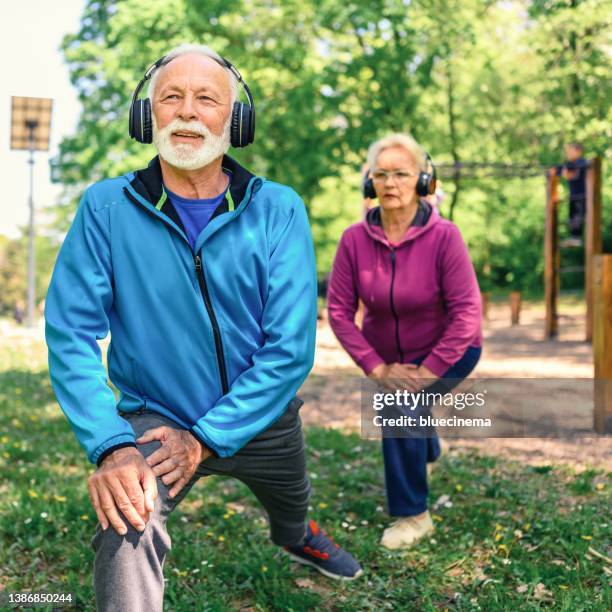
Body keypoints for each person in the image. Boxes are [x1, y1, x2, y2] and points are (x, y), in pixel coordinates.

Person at [45, 43, 362, 611]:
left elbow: (289, 349)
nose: (187, 111)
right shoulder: (104, 208)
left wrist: (208, 438)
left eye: (206, 99)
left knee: (292, 503)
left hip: (260, 418)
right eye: (171, 97)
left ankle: (295, 536)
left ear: (234, 121)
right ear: (149, 117)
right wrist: (111, 445)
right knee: (127, 520)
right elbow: (70, 331)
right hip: (155, 421)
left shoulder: (279, 209)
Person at [327, 133, 482, 550]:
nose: (391, 183)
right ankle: (425, 445)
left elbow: (468, 313)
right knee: (403, 404)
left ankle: (413, 516)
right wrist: (376, 367)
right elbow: (339, 311)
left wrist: (428, 371)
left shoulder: (445, 236)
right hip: (388, 359)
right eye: (382, 174)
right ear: (369, 183)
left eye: (401, 173)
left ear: (422, 180)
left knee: (400, 406)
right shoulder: (353, 240)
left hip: (451, 351)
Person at [555, 142, 588, 248]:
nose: (568, 153)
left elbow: (573, 175)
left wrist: (565, 173)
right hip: (574, 196)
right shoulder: (570, 164)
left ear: (578, 151)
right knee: (572, 218)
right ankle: (574, 238)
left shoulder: (582, 163)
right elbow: (560, 171)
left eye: (570, 151)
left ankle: (576, 238)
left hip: (582, 196)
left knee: (577, 217)